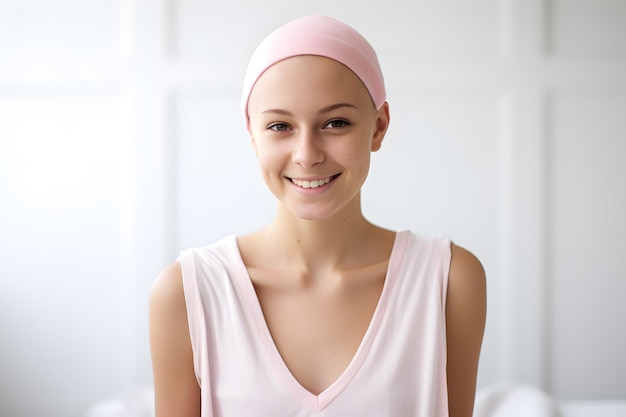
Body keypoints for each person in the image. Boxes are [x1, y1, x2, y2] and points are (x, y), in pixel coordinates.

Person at [149, 14, 486, 417]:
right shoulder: (187, 293)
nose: (307, 155)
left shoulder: (449, 281)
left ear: (378, 127)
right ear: (252, 133)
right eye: (279, 126)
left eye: (336, 123)